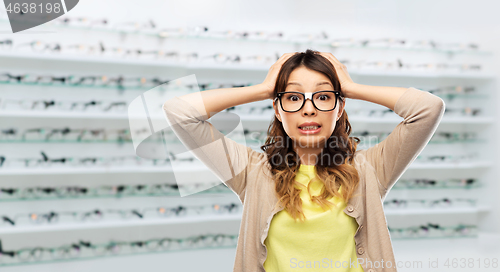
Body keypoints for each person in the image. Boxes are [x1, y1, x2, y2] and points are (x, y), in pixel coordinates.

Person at [163, 49, 445, 272]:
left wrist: (349, 86)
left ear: (339, 106)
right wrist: (263, 90)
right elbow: (179, 113)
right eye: (293, 97)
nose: (308, 109)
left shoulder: (369, 169)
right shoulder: (252, 172)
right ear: (277, 108)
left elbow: (428, 109)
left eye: (323, 97)